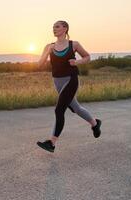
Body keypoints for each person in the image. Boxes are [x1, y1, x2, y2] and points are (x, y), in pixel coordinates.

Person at [36, 20, 102, 153]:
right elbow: (39, 65)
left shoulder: (74, 44)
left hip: (71, 80)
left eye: (57, 26)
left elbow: (87, 57)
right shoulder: (49, 46)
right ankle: (95, 123)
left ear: (65, 28)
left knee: (59, 110)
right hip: (57, 81)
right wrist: (47, 54)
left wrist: (77, 62)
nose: (54, 29)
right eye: (53, 27)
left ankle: (52, 143)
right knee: (76, 108)